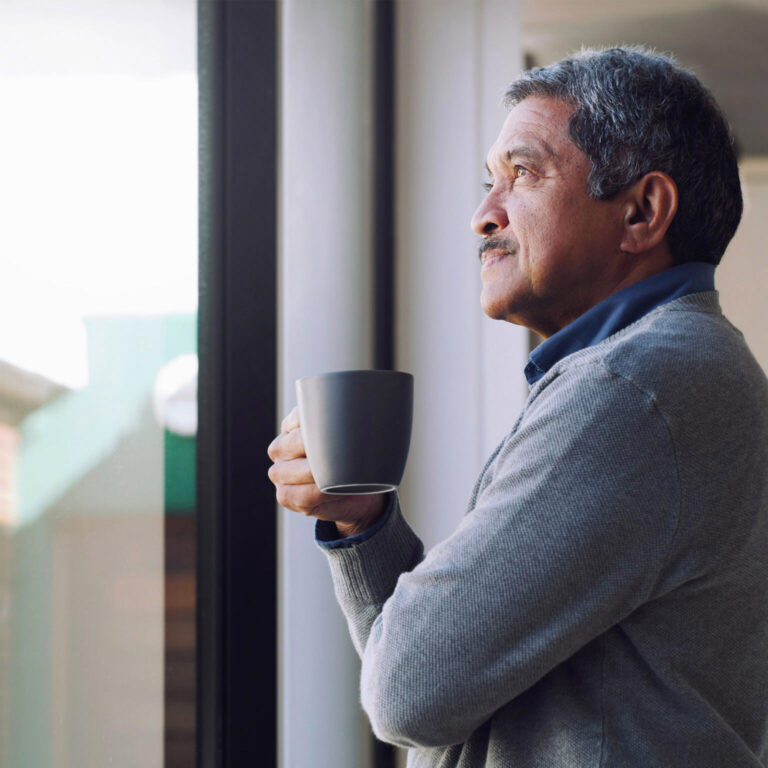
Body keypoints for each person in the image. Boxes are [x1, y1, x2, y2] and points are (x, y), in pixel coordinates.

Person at [268, 46, 768, 767]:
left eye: (524, 174)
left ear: (642, 210)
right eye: (487, 182)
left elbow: (410, 692)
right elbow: (444, 678)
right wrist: (361, 520)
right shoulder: (680, 370)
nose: (481, 217)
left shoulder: (631, 391)